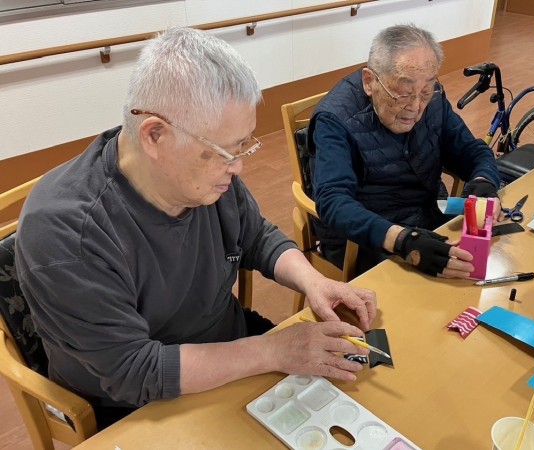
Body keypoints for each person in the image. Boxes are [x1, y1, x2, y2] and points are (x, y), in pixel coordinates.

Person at [15, 27, 377, 429]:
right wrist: (272, 352)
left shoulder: (204, 177)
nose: (238, 167)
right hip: (133, 405)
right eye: (226, 152)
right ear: (155, 135)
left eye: (243, 146)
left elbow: (255, 236)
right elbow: (135, 370)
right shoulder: (65, 232)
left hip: (229, 347)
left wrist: (314, 281)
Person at [308, 24, 503, 277]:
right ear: (369, 82)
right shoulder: (334, 119)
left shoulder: (433, 97)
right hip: (367, 236)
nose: (416, 106)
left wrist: (484, 182)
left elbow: (471, 150)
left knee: (488, 263)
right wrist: (403, 240)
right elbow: (333, 201)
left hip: (428, 213)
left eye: (425, 92)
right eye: (404, 94)